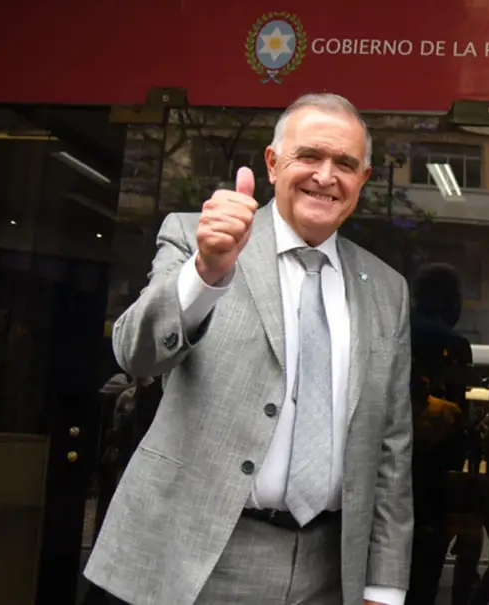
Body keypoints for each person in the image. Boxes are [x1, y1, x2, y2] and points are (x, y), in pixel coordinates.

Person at [84, 93, 414, 605]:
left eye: (345, 164)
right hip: (197, 559)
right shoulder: (200, 238)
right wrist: (206, 273)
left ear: (363, 180)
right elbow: (136, 354)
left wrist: (384, 586)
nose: (326, 176)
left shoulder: (387, 290)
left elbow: (392, 445)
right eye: (309, 156)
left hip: (329, 571)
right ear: (273, 162)